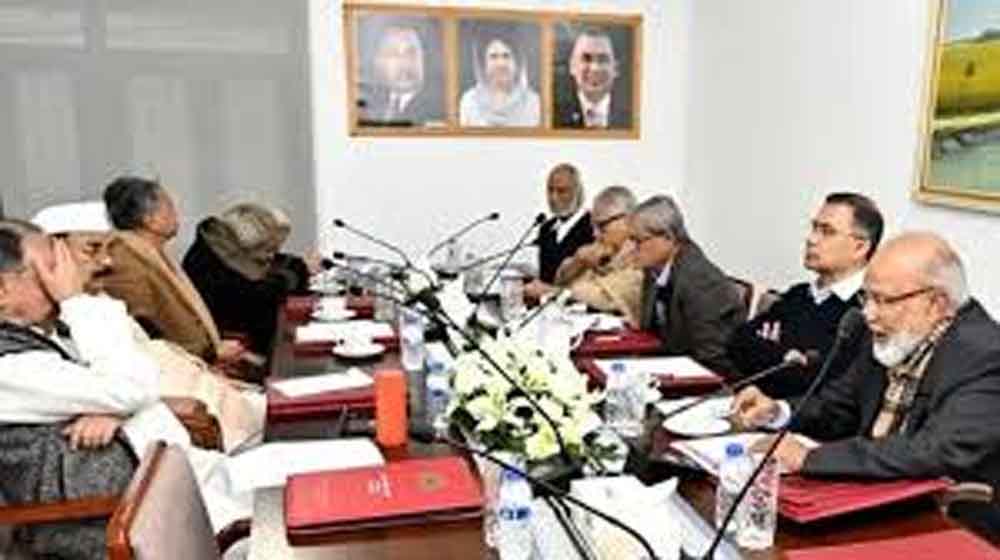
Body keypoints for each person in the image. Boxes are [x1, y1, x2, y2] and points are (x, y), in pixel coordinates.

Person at [0, 222, 251, 557]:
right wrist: (75, 300)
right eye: (51, 268)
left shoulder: (43, 330)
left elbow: (142, 377)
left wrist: (116, 409)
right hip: (125, 519)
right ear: (2, 289)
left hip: (170, 485)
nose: (66, 278)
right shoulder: (8, 364)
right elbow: (133, 387)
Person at [732, 232, 1000, 490]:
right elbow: (837, 407)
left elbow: (937, 451)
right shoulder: (893, 334)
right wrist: (777, 411)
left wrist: (810, 458)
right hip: (873, 488)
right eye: (867, 297)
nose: (869, 314)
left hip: (949, 509)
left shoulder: (987, 354)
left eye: (884, 300)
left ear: (937, 304)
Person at [30, 205, 267, 452]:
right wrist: (116, 410)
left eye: (109, 249)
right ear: (53, 258)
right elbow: (121, 388)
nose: (107, 261)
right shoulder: (47, 325)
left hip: (227, 404)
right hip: (192, 436)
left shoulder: (99, 302)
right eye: (92, 249)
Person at [726, 192, 884, 397]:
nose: (811, 239)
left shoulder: (867, 312)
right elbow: (738, 343)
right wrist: (786, 356)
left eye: (827, 231)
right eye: (814, 228)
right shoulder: (798, 295)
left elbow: (822, 387)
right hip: (751, 405)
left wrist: (772, 348)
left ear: (860, 247)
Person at [100, 176, 245, 366]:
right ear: (148, 220)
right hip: (175, 369)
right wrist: (209, 353)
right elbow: (147, 332)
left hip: (196, 361)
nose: (176, 214)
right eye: (169, 207)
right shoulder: (126, 263)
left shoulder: (151, 253)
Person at [183, 202, 316, 356]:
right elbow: (262, 296)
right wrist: (299, 270)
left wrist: (298, 266)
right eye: (268, 250)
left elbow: (275, 265)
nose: (270, 257)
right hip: (235, 347)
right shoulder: (212, 267)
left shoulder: (221, 245)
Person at [632, 195, 746, 373]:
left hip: (705, 377)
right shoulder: (655, 268)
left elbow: (712, 359)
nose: (631, 249)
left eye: (638, 241)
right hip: (665, 368)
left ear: (668, 237)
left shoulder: (700, 282)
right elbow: (651, 334)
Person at [548, 185, 643, 323]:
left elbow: (601, 297)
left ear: (627, 220)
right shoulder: (604, 252)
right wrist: (577, 262)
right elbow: (561, 280)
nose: (595, 234)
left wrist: (553, 292)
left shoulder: (642, 252)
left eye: (602, 226)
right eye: (593, 226)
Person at [525, 164, 594, 300]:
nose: (553, 197)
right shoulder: (546, 228)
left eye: (561, 191)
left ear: (578, 192)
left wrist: (551, 291)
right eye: (550, 190)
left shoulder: (593, 226)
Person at [358, 23, 444, 126]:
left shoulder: (440, 108)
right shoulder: (368, 105)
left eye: (411, 52)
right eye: (394, 53)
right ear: (378, 62)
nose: (405, 61)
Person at [459, 31, 540, 127]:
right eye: (493, 57)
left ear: (517, 62)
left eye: (506, 56)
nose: (501, 64)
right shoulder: (469, 101)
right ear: (483, 64)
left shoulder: (534, 103)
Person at [554, 27, 630, 129]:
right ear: (572, 67)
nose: (595, 68)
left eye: (603, 59)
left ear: (616, 68)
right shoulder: (554, 117)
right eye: (586, 59)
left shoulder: (632, 117)